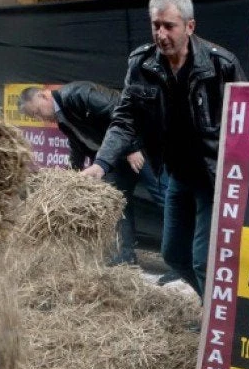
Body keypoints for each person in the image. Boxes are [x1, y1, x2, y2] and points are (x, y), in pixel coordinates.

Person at [83, 0, 246, 297]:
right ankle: (212, 311)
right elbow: (124, 119)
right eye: (155, 25)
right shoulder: (142, 65)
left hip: (214, 176)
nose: (161, 33)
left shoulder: (220, 64)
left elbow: (246, 120)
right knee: (173, 256)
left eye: (169, 25)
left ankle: (217, 325)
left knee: (203, 262)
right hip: (177, 175)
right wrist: (101, 164)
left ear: (190, 26)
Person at [19, 82, 167, 266]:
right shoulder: (62, 117)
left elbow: (121, 111)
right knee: (117, 202)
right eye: (34, 116)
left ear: (43, 96)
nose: (39, 118)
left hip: (141, 146)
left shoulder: (77, 94)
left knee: (165, 198)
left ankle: (184, 259)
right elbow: (78, 146)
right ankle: (125, 256)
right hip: (116, 157)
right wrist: (71, 176)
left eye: (37, 112)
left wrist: (133, 147)